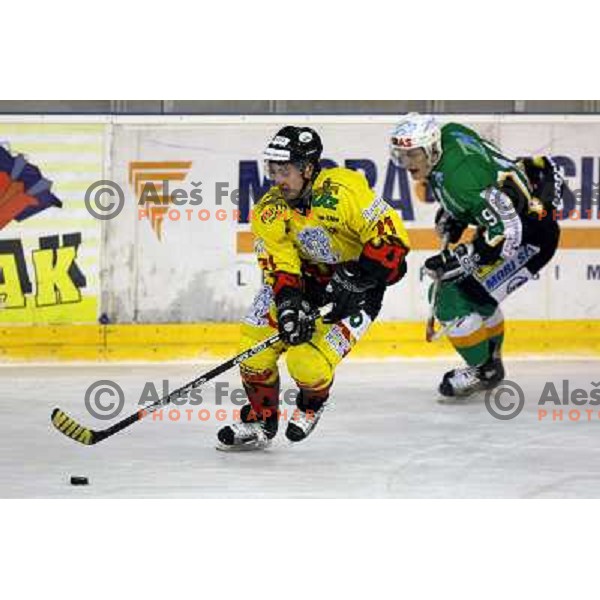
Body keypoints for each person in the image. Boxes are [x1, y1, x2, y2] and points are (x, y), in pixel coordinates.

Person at [217, 125, 410, 449]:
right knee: (254, 348)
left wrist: (360, 277)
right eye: (273, 170)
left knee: (306, 363)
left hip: (359, 290)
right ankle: (261, 421)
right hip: (307, 284)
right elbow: (280, 266)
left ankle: (311, 405)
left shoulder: (344, 189)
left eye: (286, 170)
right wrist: (291, 305)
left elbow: (393, 246)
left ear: (308, 169)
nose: (278, 179)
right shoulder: (268, 210)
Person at [389, 113, 563, 399]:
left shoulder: (460, 178)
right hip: (521, 222)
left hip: (527, 238)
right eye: (402, 155)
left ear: (431, 147)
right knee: (476, 293)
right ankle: (490, 364)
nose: (408, 163)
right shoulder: (451, 134)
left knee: (449, 297)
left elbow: (507, 231)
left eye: (413, 154)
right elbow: (488, 181)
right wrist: (457, 214)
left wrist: (464, 258)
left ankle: (484, 370)